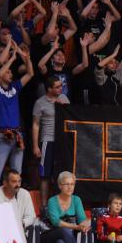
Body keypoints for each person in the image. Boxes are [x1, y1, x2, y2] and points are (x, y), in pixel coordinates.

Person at [0, 44, 33, 191]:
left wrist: (26, 59)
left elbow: (30, 74)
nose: (10, 74)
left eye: (10, 72)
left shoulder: (15, 86)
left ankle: (14, 202)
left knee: (17, 172)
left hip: (18, 134)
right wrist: (12, 58)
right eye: (8, 72)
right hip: (2, 134)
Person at [41, 171, 95, 243]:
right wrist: (76, 227)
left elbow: (82, 219)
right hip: (48, 235)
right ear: (60, 185)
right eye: (66, 184)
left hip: (66, 239)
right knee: (64, 231)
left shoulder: (76, 200)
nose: (70, 187)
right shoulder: (52, 201)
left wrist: (84, 225)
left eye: (72, 184)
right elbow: (56, 222)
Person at [32, 75, 70, 203]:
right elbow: (35, 125)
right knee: (45, 175)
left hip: (62, 141)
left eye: (61, 86)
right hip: (47, 141)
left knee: (60, 176)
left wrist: (64, 107)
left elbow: (71, 117)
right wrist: (35, 146)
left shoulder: (64, 98)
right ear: (49, 89)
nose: (61, 88)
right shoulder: (40, 102)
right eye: (57, 87)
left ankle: (60, 206)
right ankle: (43, 206)